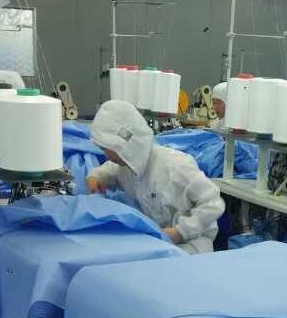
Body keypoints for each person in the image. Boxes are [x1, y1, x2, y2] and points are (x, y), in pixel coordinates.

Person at [86, 100, 226, 254]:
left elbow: (213, 203)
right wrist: (95, 177)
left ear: (123, 144)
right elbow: (107, 171)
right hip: (159, 241)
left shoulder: (175, 166)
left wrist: (180, 231)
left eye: (106, 148)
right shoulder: (126, 166)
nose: (106, 155)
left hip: (191, 245)